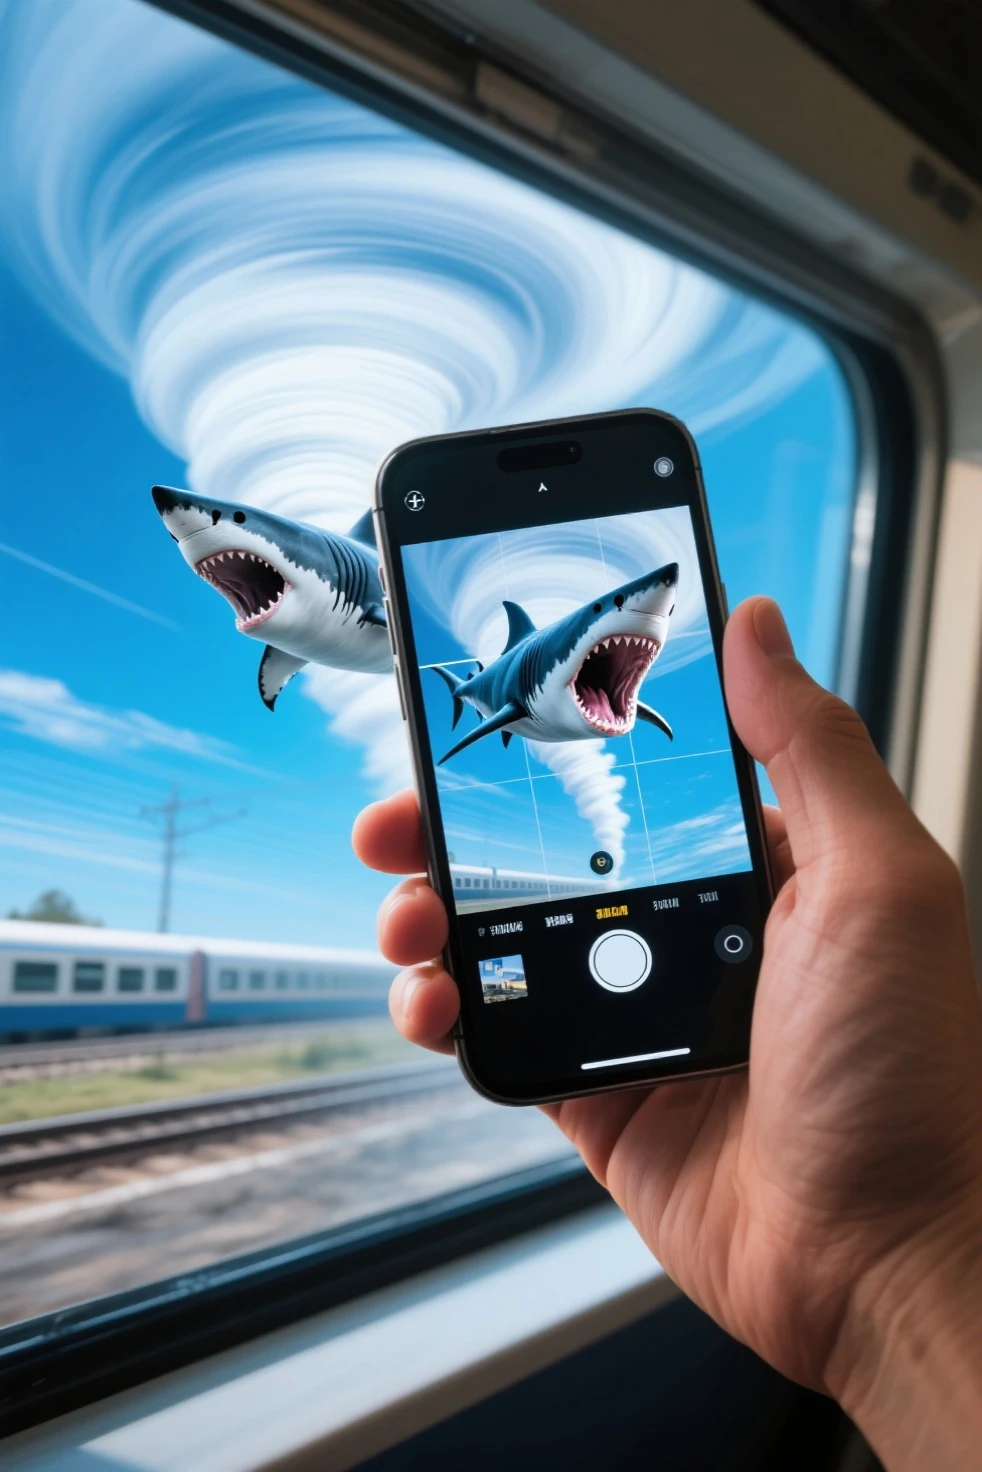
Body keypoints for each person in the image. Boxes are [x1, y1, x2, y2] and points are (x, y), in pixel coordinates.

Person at [353, 596, 982, 1471]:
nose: (646, 615)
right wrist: (893, 1279)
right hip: (509, 688)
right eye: (621, 614)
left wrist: (890, 1257)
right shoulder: (518, 696)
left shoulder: (624, 704)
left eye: (648, 622)